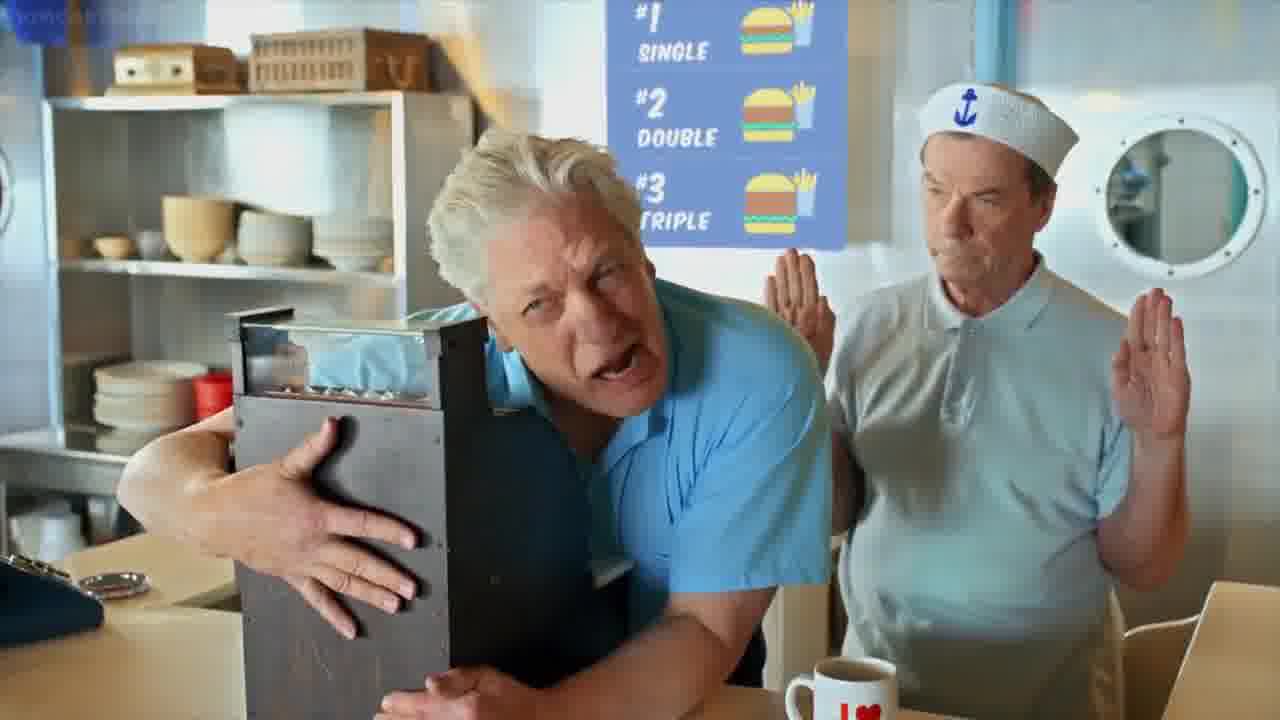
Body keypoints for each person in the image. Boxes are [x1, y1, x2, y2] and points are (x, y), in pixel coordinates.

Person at [117, 128, 832, 720]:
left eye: (607, 272)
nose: (597, 323)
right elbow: (147, 476)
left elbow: (704, 630)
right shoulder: (412, 366)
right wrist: (218, 513)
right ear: (490, 321)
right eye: (541, 305)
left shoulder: (757, 371)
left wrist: (546, 716)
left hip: (684, 694)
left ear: (644, 256)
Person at [765, 82, 1191, 719]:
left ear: (1042, 206)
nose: (949, 223)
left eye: (985, 199)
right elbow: (835, 513)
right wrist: (800, 396)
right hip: (881, 688)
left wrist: (1160, 442)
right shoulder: (866, 326)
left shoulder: (1113, 351)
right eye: (935, 189)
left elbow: (1143, 567)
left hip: (1048, 700)